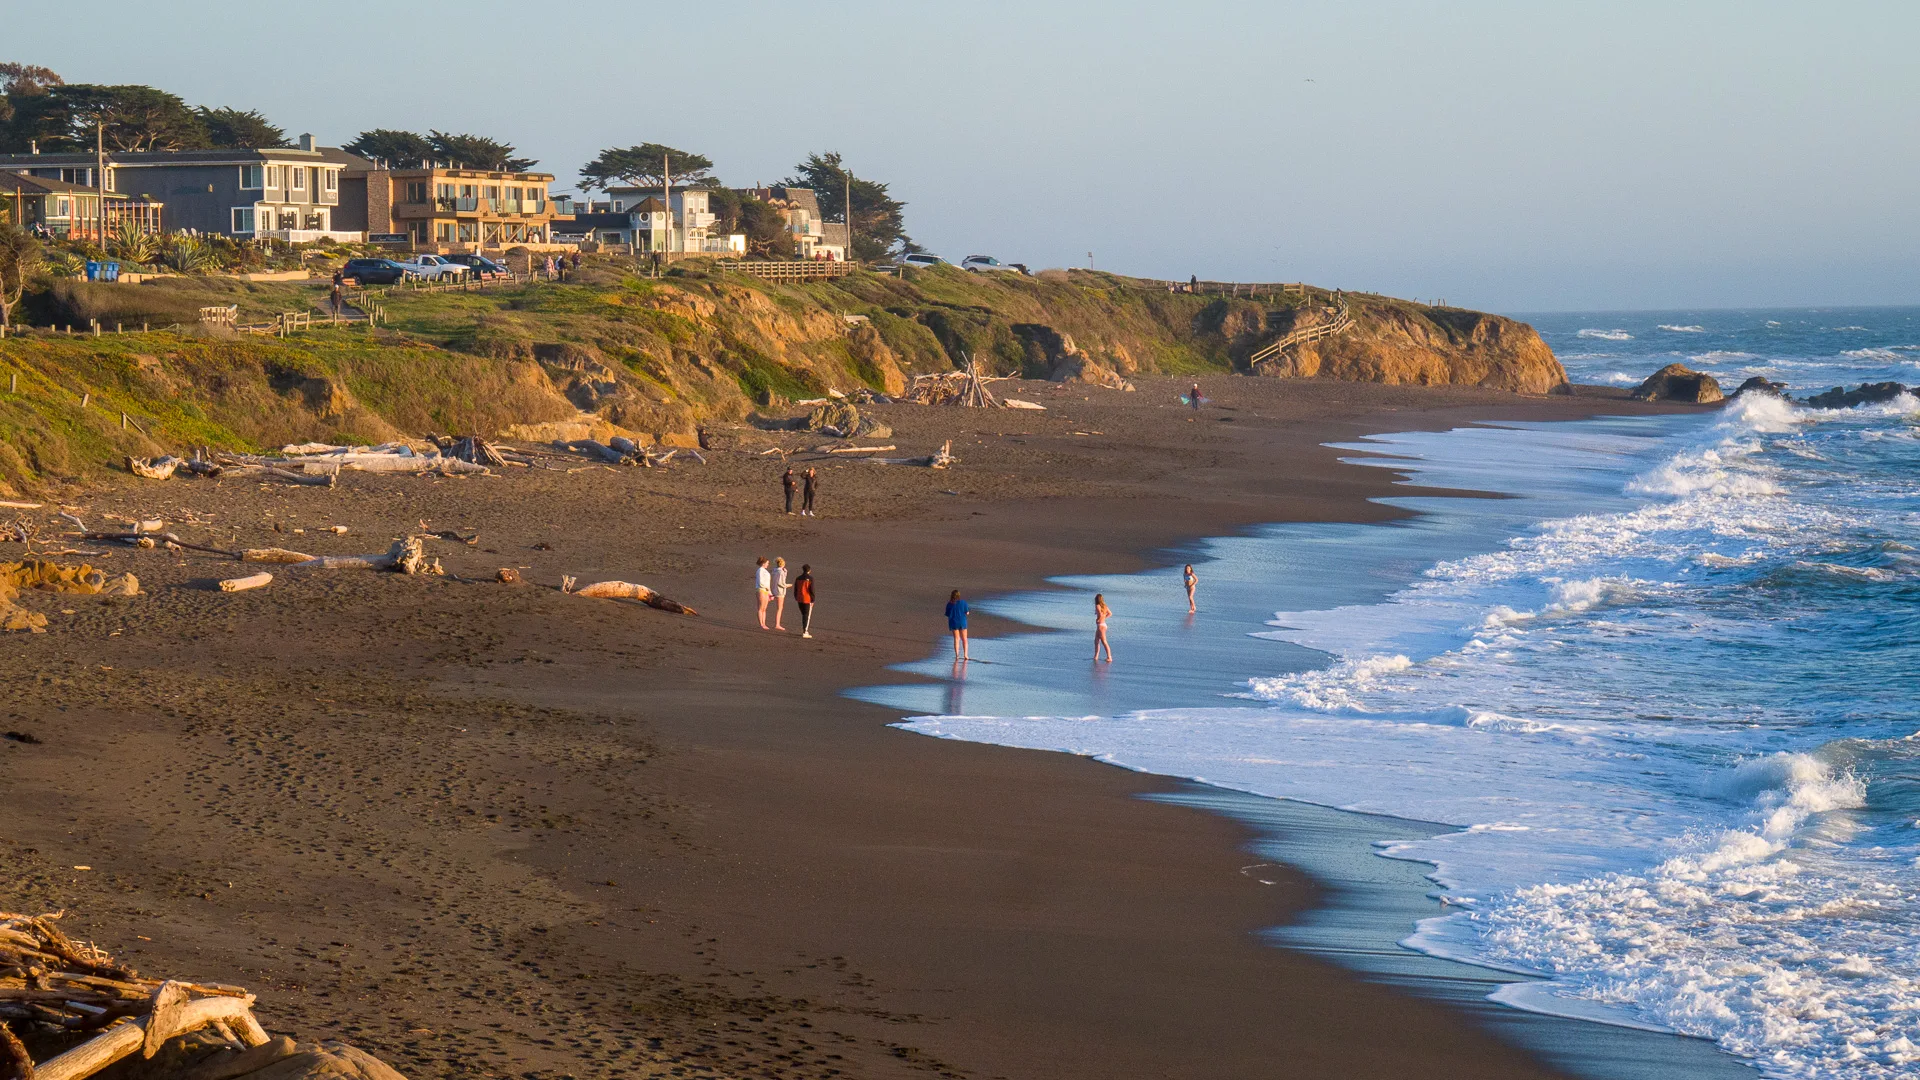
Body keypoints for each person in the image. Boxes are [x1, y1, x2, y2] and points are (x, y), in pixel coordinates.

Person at [945, 589, 970, 660]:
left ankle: (957, 656)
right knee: (964, 639)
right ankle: (965, 655)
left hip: (953, 622)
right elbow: (967, 613)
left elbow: (947, 614)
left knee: (956, 639)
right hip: (962, 621)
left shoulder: (949, 604)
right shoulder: (963, 602)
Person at [794, 564, 815, 638]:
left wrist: (796, 597)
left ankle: (804, 630)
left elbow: (795, 589)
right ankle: (805, 631)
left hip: (799, 598)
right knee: (807, 615)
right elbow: (811, 590)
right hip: (807, 599)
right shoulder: (810, 578)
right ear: (809, 570)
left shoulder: (798, 578)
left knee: (803, 615)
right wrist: (813, 600)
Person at [771, 556, 790, 632]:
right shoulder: (780, 572)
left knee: (779, 608)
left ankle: (776, 624)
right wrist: (787, 585)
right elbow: (781, 583)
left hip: (774, 590)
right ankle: (777, 624)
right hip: (780, 591)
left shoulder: (774, 571)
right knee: (779, 608)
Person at [1093, 593, 1114, 662]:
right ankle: (1096, 656)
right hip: (1103, 625)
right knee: (1096, 641)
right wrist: (1104, 617)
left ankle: (1109, 657)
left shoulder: (1098, 606)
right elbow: (1110, 613)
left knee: (1104, 641)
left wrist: (1099, 619)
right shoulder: (1105, 606)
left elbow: (1100, 613)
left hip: (1101, 625)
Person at [755, 557, 772, 629]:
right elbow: (760, 581)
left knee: (764, 608)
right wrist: (766, 588)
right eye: (767, 563)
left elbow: (768, 583)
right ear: (763, 563)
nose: (768, 564)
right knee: (761, 607)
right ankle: (761, 624)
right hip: (761, 589)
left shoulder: (765, 571)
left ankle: (764, 623)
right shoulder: (760, 570)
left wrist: (770, 593)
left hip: (766, 590)